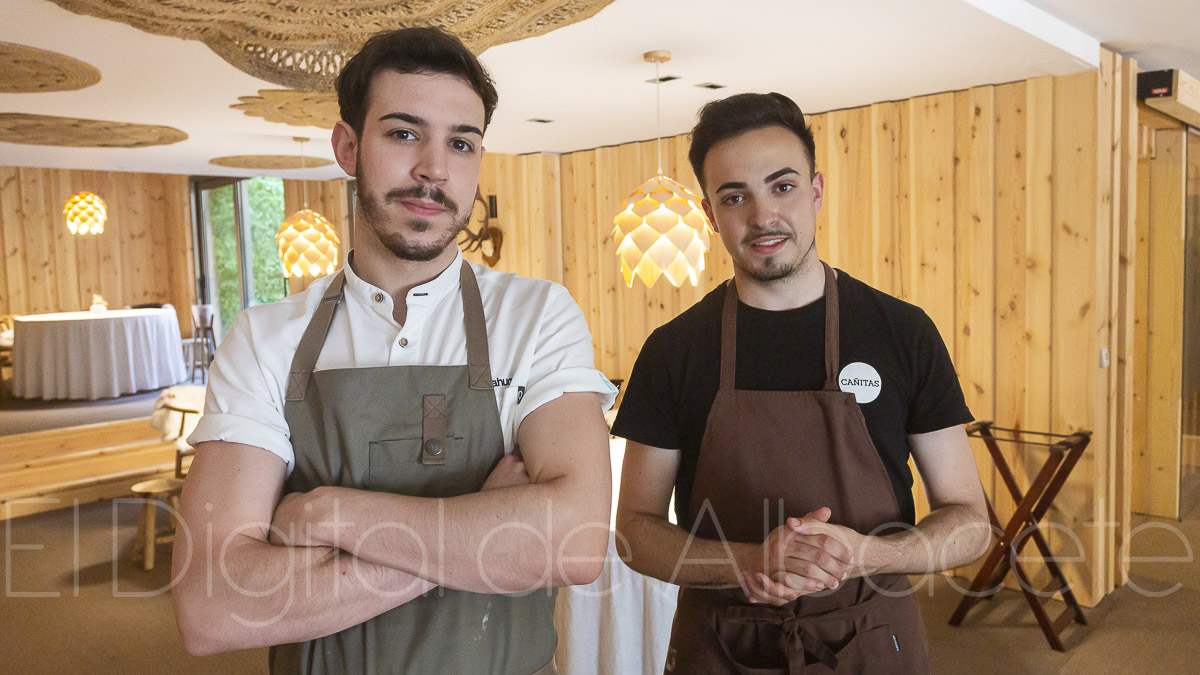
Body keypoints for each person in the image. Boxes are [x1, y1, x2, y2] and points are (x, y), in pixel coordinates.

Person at [172, 27, 616, 675]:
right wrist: (480, 533)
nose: (435, 168)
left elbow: (575, 544)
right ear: (348, 146)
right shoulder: (265, 339)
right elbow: (212, 608)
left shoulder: (537, 315)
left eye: (461, 143)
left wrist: (328, 513)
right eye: (405, 133)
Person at [611, 92, 991, 674]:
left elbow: (969, 522)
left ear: (815, 191)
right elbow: (635, 532)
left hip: (872, 639)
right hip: (719, 646)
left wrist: (869, 555)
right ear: (711, 216)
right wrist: (748, 563)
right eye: (735, 197)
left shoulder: (901, 332)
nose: (763, 216)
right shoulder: (674, 350)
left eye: (781, 186)